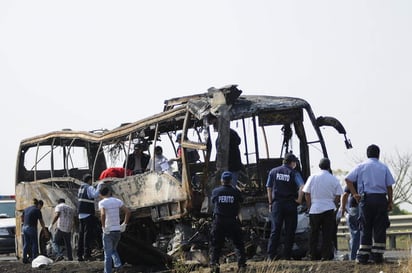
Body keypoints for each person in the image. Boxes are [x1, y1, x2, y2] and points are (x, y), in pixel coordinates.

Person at [345, 144, 395, 264]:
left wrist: (355, 194)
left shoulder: (361, 166)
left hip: (366, 199)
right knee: (379, 227)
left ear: (367, 154)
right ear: (378, 154)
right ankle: (377, 256)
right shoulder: (383, 167)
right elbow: (389, 187)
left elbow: (348, 179)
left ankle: (363, 257)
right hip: (380, 199)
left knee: (365, 227)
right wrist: (390, 201)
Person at [302, 158, 343, 261]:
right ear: (329, 166)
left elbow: (306, 193)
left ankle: (312, 254)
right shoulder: (333, 179)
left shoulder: (313, 177)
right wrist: (334, 205)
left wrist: (309, 206)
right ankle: (326, 255)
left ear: (319, 166)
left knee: (313, 233)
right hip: (329, 208)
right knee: (327, 234)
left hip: (314, 208)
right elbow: (338, 195)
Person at [266, 153, 304, 260]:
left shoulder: (273, 171)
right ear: (292, 163)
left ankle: (271, 256)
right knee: (290, 231)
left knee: (275, 230)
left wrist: (270, 203)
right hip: (290, 204)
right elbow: (302, 186)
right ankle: (287, 256)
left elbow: (268, 188)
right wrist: (299, 200)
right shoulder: (294, 172)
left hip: (277, 204)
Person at [209, 171, 246, 273]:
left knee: (216, 245)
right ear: (231, 181)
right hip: (232, 220)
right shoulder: (235, 192)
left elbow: (213, 201)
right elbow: (241, 201)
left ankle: (214, 266)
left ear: (222, 181)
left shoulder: (216, 191)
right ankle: (242, 265)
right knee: (238, 244)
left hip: (219, 221)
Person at [98, 186, 131, 273]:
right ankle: (118, 266)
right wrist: (124, 224)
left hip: (108, 230)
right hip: (117, 230)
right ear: (109, 192)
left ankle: (107, 271)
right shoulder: (117, 201)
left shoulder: (102, 203)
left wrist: (103, 226)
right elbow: (128, 212)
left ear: (101, 194)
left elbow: (102, 214)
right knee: (113, 250)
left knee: (107, 254)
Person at [77, 173, 102, 261]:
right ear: (89, 180)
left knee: (81, 235)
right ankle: (87, 254)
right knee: (87, 235)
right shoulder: (89, 187)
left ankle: (79, 255)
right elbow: (95, 195)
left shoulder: (80, 188)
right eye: (91, 180)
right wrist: (99, 186)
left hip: (81, 214)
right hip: (88, 213)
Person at [339, 181, 360, 260]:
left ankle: (354, 256)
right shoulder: (369, 179)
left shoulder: (354, 181)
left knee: (355, 233)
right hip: (366, 208)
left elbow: (345, 195)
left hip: (354, 208)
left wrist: (343, 208)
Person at [21, 198, 47, 263]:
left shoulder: (27, 209)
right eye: (41, 207)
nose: (40, 208)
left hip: (24, 227)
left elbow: (22, 217)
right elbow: (41, 221)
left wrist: (24, 222)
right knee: (34, 243)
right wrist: (45, 231)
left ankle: (24, 258)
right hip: (31, 228)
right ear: (39, 205)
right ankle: (34, 258)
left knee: (26, 243)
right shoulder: (37, 210)